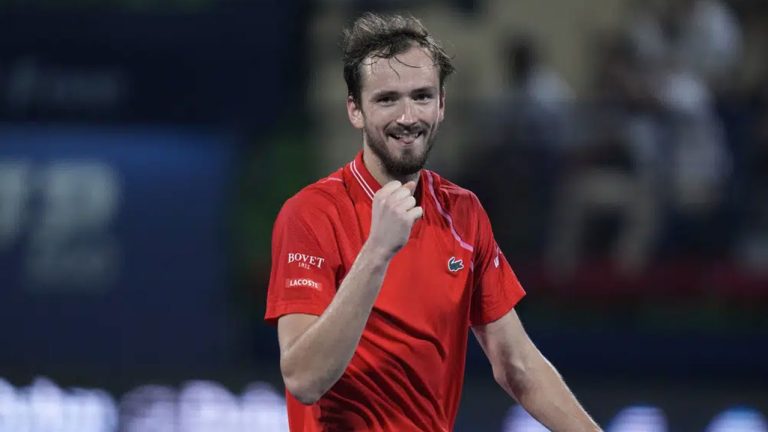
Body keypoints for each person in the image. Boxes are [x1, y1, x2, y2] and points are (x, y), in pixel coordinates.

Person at [265, 12, 601, 432]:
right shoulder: (310, 214)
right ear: (355, 110)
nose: (408, 117)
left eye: (422, 96)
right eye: (387, 99)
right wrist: (376, 252)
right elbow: (303, 379)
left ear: (442, 105)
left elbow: (516, 364)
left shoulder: (464, 213)